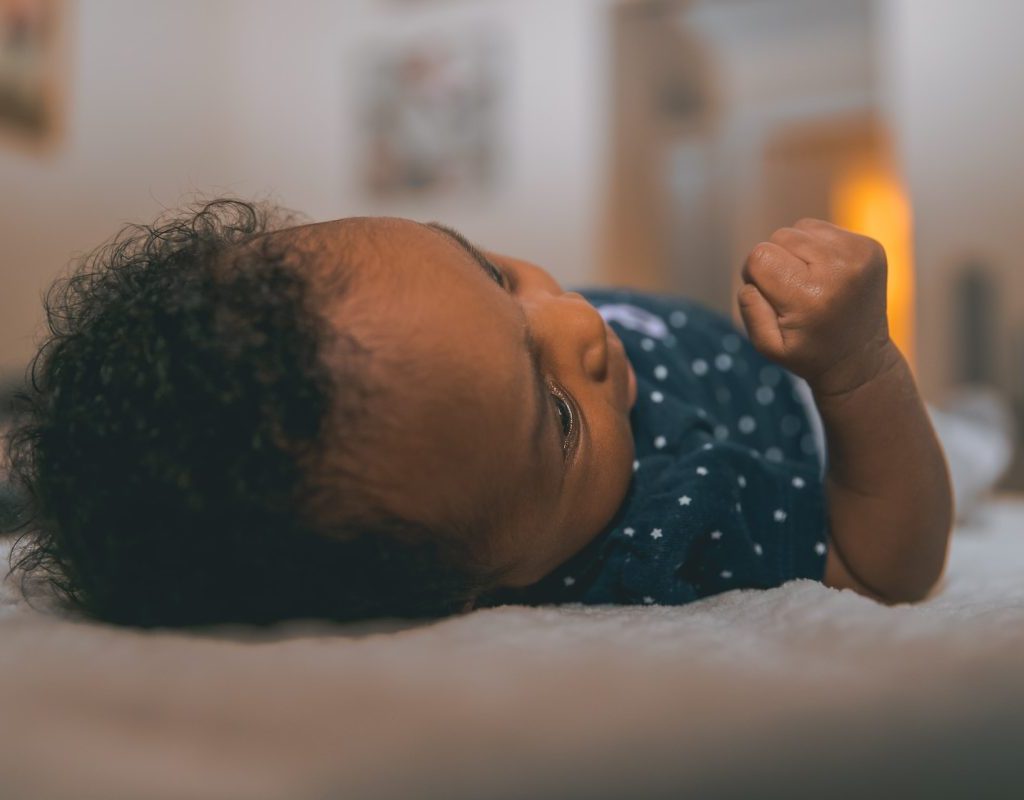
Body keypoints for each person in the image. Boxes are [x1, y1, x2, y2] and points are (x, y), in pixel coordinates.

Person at [2, 199, 953, 626]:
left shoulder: (466, 402)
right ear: (472, 589)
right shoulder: (663, 524)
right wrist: (861, 368)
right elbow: (886, 565)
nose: (574, 316)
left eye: (492, 272)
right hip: (816, 410)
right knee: (963, 442)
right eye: (559, 417)